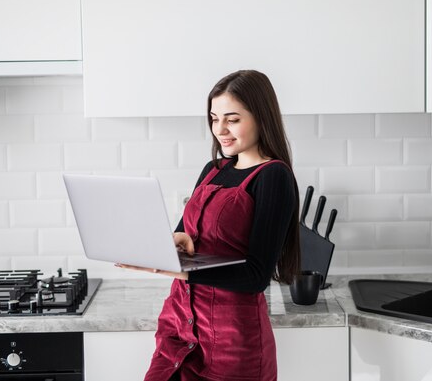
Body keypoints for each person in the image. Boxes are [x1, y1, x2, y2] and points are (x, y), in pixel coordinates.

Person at [116, 69, 300, 381]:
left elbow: (256, 276)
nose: (220, 129)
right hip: (179, 325)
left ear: (261, 116)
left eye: (232, 119)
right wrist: (166, 243)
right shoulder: (213, 169)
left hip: (233, 343)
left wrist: (181, 270)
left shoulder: (274, 176)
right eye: (214, 118)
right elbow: (187, 235)